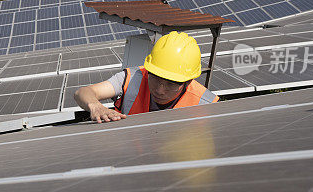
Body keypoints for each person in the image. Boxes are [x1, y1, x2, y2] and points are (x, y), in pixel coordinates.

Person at [74, 31, 218, 123]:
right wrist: (96, 106)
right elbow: (83, 93)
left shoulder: (207, 105)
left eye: (171, 84)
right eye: (155, 78)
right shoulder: (132, 79)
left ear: (188, 82)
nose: (160, 90)